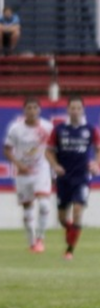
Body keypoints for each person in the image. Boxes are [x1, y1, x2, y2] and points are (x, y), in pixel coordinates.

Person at [45, 96, 100, 260]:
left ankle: (69, 250)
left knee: (78, 211)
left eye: (78, 108)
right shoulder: (59, 130)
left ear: (83, 110)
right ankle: (71, 230)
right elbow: (48, 151)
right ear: (67, 110)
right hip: (64, 177)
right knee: (62, 218)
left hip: (82, 176)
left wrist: (96, 164)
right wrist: (55, 165)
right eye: (73, 108)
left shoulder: (90, 129)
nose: (75, 111)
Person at [4, 97, 55, 253]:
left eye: (35, 108)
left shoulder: (47, 127)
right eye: (29, 108)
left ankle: (41, 237)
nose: (32, 111)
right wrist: (19, 165)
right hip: (22, 172)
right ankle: (32, 241)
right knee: (27, 208)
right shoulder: (16, 129)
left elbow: (52, 148)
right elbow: (7, 149)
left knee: (45, 204)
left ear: (39, 110)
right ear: (24, 110)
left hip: (41, 170)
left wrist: (53, 166)